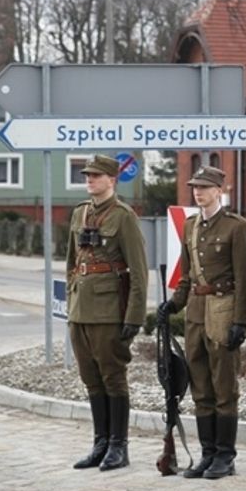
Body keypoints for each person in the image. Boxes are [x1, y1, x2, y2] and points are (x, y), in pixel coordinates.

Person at [159, 166, 246, 479]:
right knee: (200, 386)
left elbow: (245, 278)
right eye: (195, 187)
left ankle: (225, 457)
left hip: (223, 310)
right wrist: (174, 303)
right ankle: (207, 453)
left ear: (219, 190)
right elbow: (188, 276)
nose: (198, 192)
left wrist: (242, 320)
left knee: (224, 387)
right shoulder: (190, 226)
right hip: (196, 314)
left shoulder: (235, 227)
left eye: (204, 187)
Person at [67, 154, 148, 471]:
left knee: (113, 379)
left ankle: (119, 446)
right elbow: (72, 262)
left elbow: (139, 273)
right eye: (87, 175)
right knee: (91, 379)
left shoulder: (124, 217)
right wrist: (72, 300)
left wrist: (134, 317)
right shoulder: (80, 213)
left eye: (96, 175)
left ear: (112, 180)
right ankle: (100, 443)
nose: (89, 180)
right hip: (81, 310)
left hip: (108, 310)